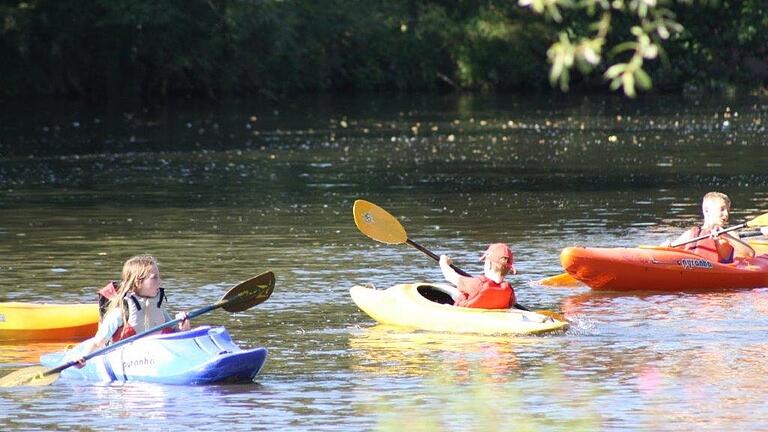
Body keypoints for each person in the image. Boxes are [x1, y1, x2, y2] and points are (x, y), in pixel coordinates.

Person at [75, 254, 190, 365]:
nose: (160, 282)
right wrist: (84, 357)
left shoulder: (160, 311)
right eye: (155, 278)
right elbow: (98, 342)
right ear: (138, 283)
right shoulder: (121, 313)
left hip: (157, 358)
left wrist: (183, 325)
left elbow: (178, 336)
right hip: (129, 362)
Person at [665, 192, 757, 263]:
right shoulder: (691, 234)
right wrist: (666, 246)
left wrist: (726, 237)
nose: (726, 214)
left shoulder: (730, 234)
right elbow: (668, 252)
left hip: (719, 279)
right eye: (722, 209)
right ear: (707, 211)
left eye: (727, 210)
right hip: (691, 272)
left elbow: (750, 254)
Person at [439, 243, 516, 309]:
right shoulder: (509, 291)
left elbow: (449, 276)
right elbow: (513, 303)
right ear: (509, 269)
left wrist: (443, 262)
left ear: (489, 264)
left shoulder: (477, 283)